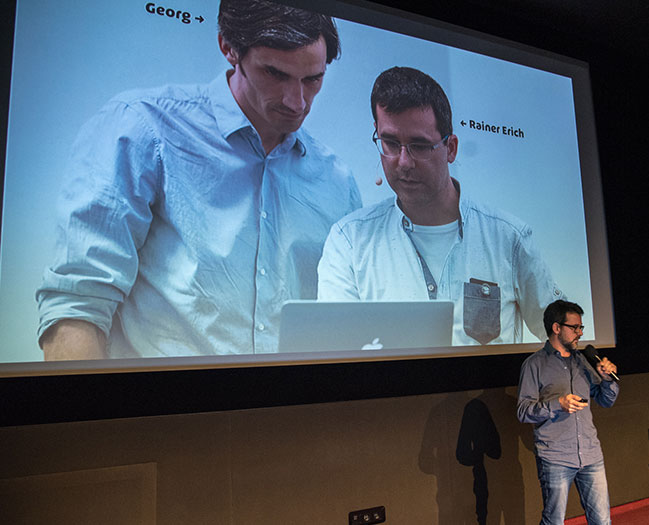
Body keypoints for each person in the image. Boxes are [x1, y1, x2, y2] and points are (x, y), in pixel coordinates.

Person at [35, 1, 361, 359]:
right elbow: (78, 308)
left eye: (312, 80)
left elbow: (349, 323)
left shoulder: (337, 181)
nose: (297, 102)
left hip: (296, 409)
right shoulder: (142, 129)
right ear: (229, 48)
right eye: (275, 74)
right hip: (162, 411)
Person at [317, 66, 561, 345]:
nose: (404, 162)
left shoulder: (509, 238)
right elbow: (335, 351)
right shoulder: (348, 241)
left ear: (451, 148)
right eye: (390, 143)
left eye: (420, 146)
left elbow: (563, 337)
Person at [517, 300, 619, 524]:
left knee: (602, 521)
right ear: (556, 328)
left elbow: (606, 400)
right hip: (555, 457)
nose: (580, 333)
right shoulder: (534, 365)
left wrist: (607, 379)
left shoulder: (583, 361)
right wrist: (557, 404)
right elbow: (523, 411)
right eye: (575, 328)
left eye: (581, 328)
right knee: (554, 520)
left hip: (591, 454)